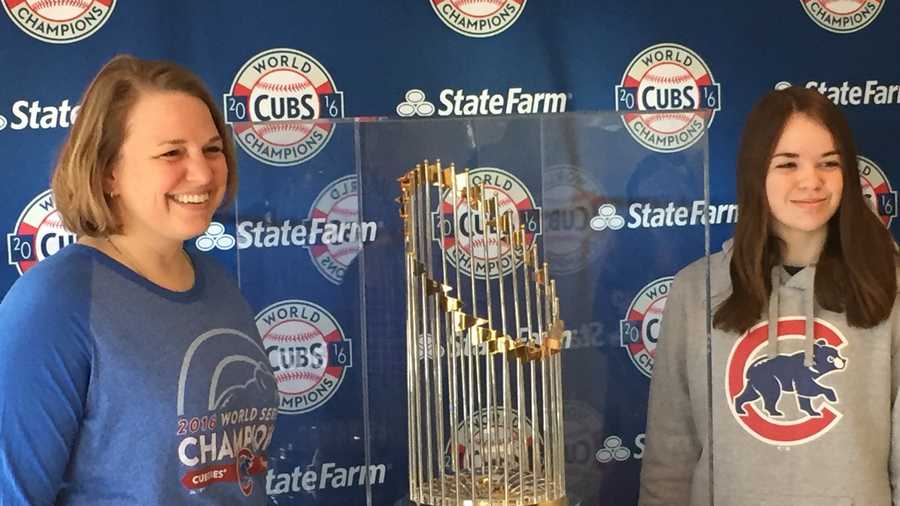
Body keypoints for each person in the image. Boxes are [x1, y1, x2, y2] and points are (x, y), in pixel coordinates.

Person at [0, 55, 279, 504]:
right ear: (109, 171)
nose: (204, 173)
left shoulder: (217, 284)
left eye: (212, 148)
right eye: (172, 152)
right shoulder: (55, 305)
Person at [638, 86, 899, 506]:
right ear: (756, 172)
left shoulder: (891, 285)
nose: (810, 180)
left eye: (828, 164)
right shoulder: (696, 291)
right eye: (788, 164)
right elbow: (670, 457)